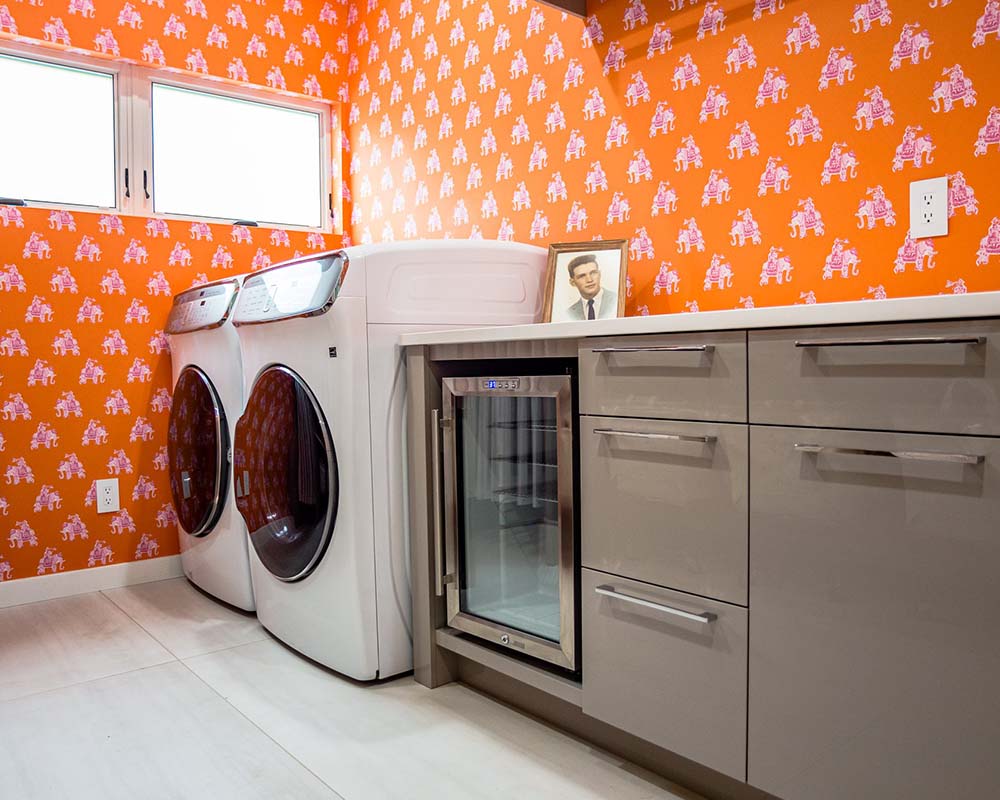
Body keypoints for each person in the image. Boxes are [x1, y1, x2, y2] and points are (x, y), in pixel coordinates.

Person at [564, 253, 617, 320]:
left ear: (599, 274)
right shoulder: (570, 313)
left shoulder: (616, 300)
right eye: (582, 276)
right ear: (572, 282)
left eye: (593, 273)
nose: (589, 280)